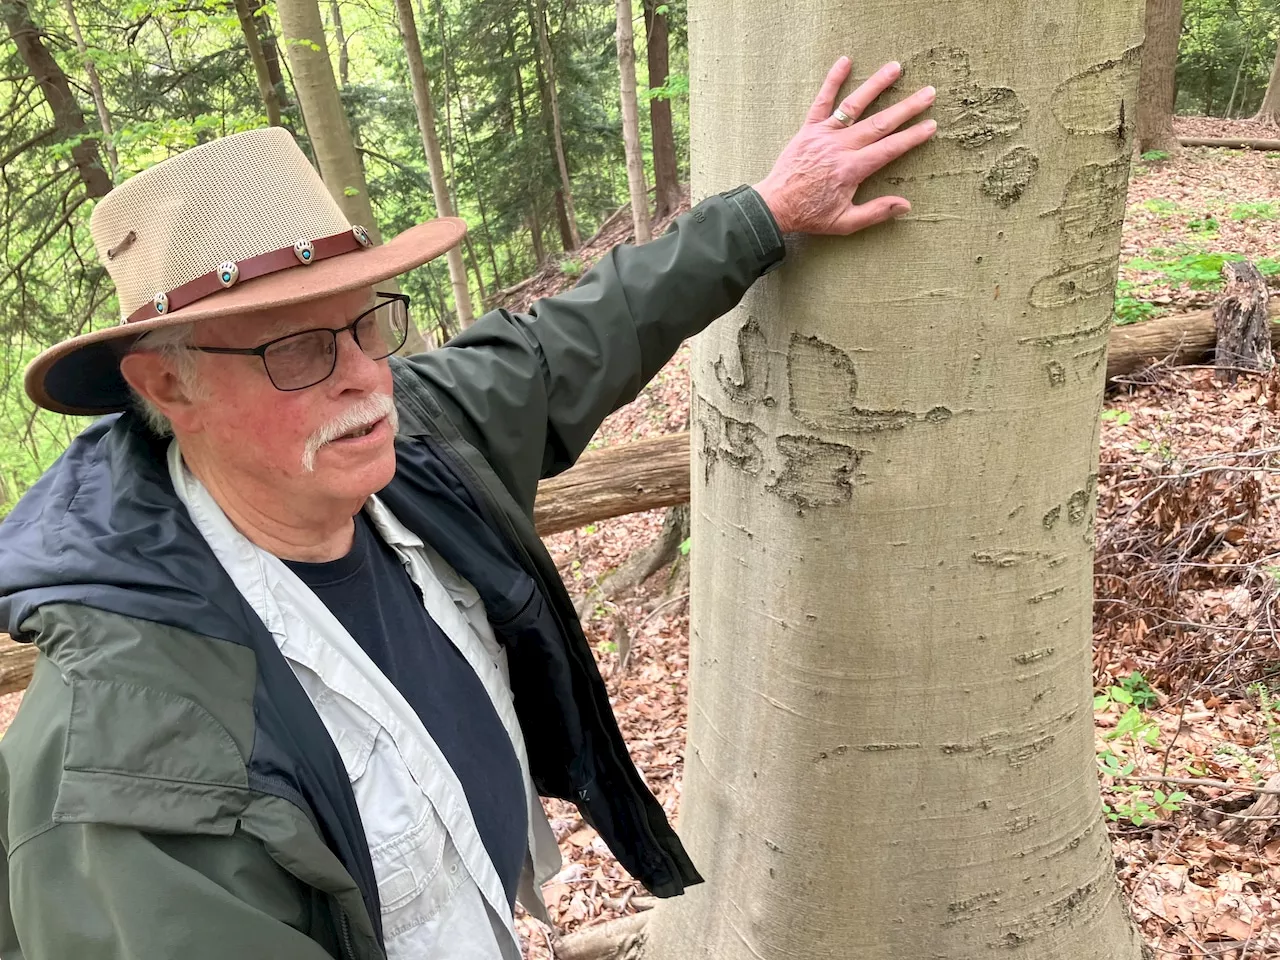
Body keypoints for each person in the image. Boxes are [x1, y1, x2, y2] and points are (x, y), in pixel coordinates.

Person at [0, 59, 935, 959]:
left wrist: (764, 212)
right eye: (299, 351)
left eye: (370, 321)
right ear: (168, 383)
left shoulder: (413, 450)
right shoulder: (129, 766)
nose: (368, 378)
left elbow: (570, 341)